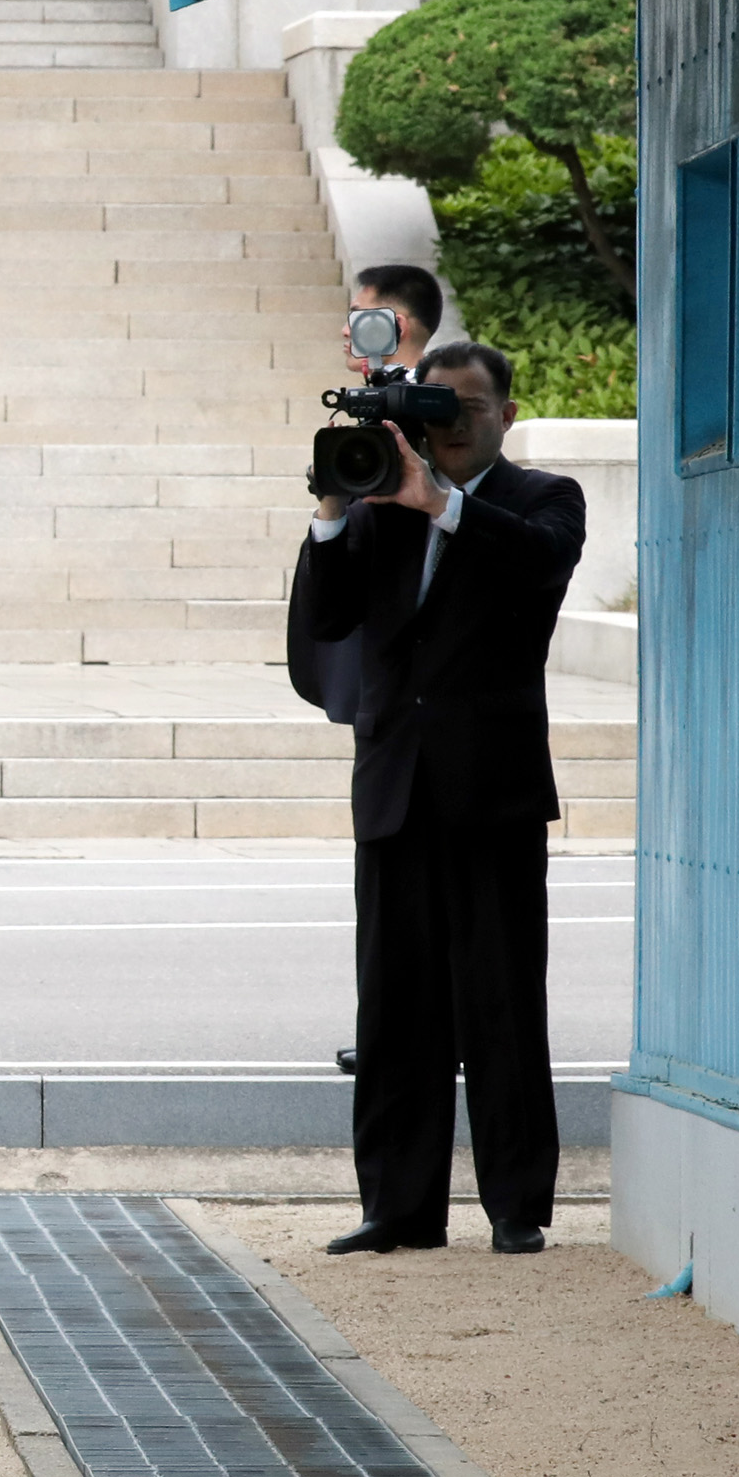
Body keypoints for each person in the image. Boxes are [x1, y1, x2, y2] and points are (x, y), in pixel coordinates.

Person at [296, 340, 583, 1258]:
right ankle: (398, 1206)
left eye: (467, 406)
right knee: (393, 1008)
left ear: (505, 412)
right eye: (436, 405)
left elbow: (538, 567)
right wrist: (336, 509)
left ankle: (515, 1206)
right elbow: (325, 622)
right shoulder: (383, 502)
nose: (451, 422)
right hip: (393, 787)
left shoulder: (542, 500)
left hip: (489, 791)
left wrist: (445, 503)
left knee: (500, 999)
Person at [295, 263, 445, 1076]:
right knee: (380, 886)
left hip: (440, 691)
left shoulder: (443, 402)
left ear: (392, 322)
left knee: (437, 888)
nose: (348, 333)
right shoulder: (364, 408)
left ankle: (434, 1025)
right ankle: (387, 1023)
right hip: (381, 686)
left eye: (359, 319)